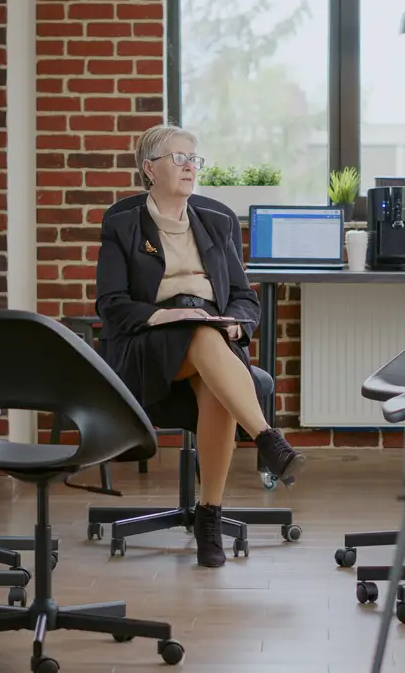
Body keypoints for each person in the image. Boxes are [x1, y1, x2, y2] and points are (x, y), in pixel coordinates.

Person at [94, 124, 307, 568]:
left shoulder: (216, 221)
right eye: (179, 158)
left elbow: (245, 297)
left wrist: (237, 326)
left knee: (214, 377)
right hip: (148, 342)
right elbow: (111, 305)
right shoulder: (122, 225)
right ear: (149, 169)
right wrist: (166, 315)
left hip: (212, 335)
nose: (191, 166)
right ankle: (267, 439)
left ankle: (209, 515)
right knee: (199, 331)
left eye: (194, 158)